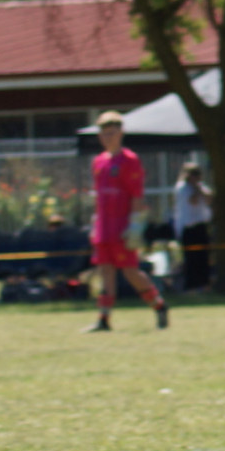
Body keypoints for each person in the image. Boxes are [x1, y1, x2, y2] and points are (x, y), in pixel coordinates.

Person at [84, 112, 168, 332]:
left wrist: (135, 227)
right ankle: (104, 319)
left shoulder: (130, 160)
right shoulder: (98, 161)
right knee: (105, 271)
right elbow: (98, 196)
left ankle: (159, 306)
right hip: (104, 227)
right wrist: (95, 223)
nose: (107, 137)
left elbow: (137, 196)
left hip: (122, 227)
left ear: (121, 133)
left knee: (130, 271)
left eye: (111, 133)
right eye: (103, 133)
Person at [173, 161, 213, 292]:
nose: (195, 177)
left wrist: (199, 187)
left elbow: (210, 199)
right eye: (192, 174)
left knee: (203, 257)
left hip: (201, 226)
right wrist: (196, 188)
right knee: (191, 258)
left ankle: (205, 284)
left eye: (197, 174)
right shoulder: (182, 188)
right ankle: (191, 286)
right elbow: (193, 201)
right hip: (187, 227)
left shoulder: (201, 186)